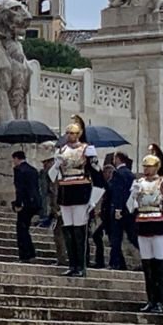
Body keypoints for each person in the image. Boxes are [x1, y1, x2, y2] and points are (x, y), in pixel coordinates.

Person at [128, 153, 163, 314]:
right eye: (145, 166)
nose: (147, 169)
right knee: (148, 266)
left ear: (157, 167)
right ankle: (151, 299)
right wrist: (133, 195)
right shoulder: (138, 183)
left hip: (159, 225)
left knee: (160, 265)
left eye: (150, 166)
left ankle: (161, 301)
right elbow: (130, 208)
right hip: (143, 225)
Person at [49, 115, 101, 278]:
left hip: (81, 190)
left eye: (73, 133)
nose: (70, 136)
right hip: (66, 191)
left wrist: (93, 199)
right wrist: (56, 164)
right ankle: (72, 264)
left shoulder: (87, 149)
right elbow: (52, 176)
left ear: (79, 134)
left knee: (79, 230)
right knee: (68, 230)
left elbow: (97, 174)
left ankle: (81, 266)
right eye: (68, 133)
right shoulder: (61, 151)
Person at [102, 151, 135, 270]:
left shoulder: (117, 173)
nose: (113, 161)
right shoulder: (130, 174)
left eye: (115, 158)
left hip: (119, 210)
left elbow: (117, 193)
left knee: (116, 237)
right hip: (129, 210)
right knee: (132, 236)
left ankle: (114, 263)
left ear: (118, 159)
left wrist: (117, 208)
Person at [11, 151, 42, 263]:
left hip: (25, 203)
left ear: (16, 158)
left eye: (14, 159)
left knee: (21, 229)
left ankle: (25, 254)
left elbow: (20, 189)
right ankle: (30, 253)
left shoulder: (19, 170)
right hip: (34, 202)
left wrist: (18, 204)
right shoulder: (33, 170)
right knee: (25, 228)